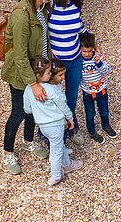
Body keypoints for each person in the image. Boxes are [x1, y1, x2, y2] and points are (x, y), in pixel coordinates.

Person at [1, 0, 54, 174]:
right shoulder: (22, 14)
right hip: (21, 75)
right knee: (19, 113)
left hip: (37, 71)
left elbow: (43, 37)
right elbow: (20, 55)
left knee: (33, 109)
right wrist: (33, 84)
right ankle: (7, 152)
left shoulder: (41, 8)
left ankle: (28, 141)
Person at [23, 57, 82, 186]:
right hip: (56, 124)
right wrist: (70, 119)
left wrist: (39, 110)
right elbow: (63, 106)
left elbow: (27, 109)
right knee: (55, 152)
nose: (51, 74)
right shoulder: (52, 89)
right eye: (49, 72)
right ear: (39, 75)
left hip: (43, 125)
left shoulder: (29, 88)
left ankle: (68, 164)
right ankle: (55, 176)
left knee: (59, 145)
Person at [49, 0, 87, 140]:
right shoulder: (50, 7)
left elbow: (81, 29)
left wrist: (95, 46)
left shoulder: (76, 6)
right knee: (56, 98)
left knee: (71, 96)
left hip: (75, 59)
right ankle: (54, 134)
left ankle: (71, 129)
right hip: (58, 62)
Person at [77, 32, 116, 142]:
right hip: (88, 93)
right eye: (84, 51)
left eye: (90, 51)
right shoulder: (79, 61)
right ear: (80, 49)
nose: (87, 54)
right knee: (90, 113)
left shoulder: (99, 57)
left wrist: (99, 63)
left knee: (104, 111)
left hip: (102, 91)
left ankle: (106, 126)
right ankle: (92, 132)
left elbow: (106, 71)